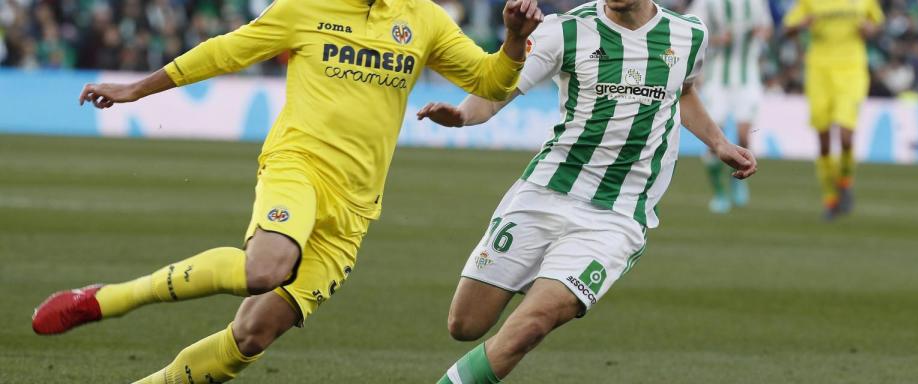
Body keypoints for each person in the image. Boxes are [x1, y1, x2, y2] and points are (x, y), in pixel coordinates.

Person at [30, 0, 542, 382]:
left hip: (354, 208)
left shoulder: (423, 18)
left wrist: (514, 40)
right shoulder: (305, 7)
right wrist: (135, 87)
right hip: (297, 167)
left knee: (253, 335)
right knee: (265, 269)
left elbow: (490, 81)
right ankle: (104, 300)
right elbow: (226, 52)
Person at [416, 0, 757, 381]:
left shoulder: (689, 34)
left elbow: (683, 89)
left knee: (530, 326)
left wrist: (719, 143)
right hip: (543, 193)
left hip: (617, 216)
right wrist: (463, 115)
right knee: (465, 324)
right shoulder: (565, 31)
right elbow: (500, 90)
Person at [783, 0, 884, 220]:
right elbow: (787, 28)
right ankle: (830, 199)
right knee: (824, 140)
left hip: (851, 69)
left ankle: (845, 182)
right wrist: (802, 25)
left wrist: (870, 29)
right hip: (819, 71)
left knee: (846, 136)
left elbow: (876, 23)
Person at [688, 0, 772, 213]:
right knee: (715, 138)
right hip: (717, 79)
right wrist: (716, 39)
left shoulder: (755, 3)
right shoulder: (708, 3)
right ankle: (719, 193)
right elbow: (689, 30)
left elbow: (767, 27)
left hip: (748, 77)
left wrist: (762, 33)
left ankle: (737, 182)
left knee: (744, 135)